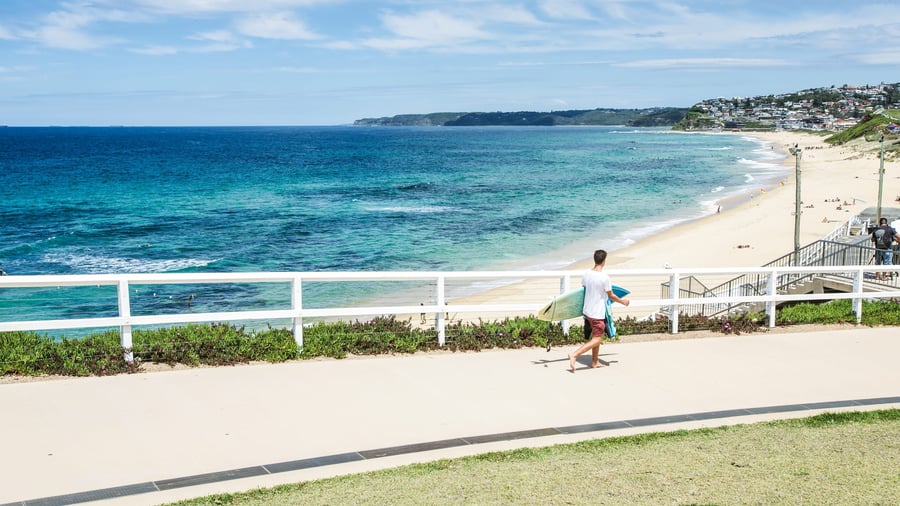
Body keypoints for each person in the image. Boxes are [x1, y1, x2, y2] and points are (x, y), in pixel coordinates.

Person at [568, 249, 629, 372]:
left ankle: (595, 362)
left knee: (596, 335)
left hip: (587, 311)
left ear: (595, 259)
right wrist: (623, 301)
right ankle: (574, 354)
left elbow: (584, 289)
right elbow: (611, 295)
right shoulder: (604, 278)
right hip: (597, 313)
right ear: (604, 261)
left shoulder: (586, 274)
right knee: (598, 339)